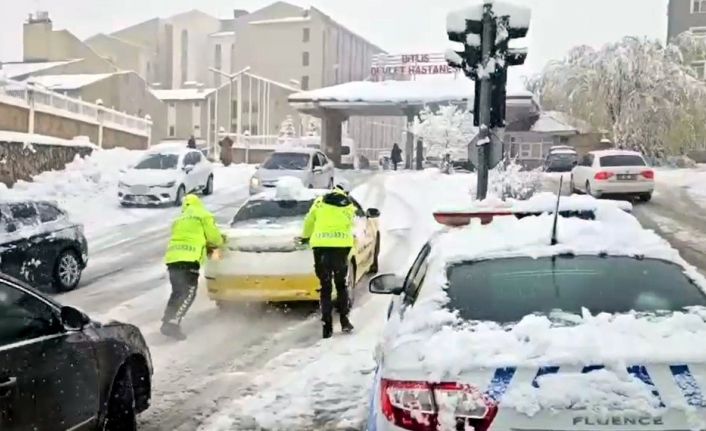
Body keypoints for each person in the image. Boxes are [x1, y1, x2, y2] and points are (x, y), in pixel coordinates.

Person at [162, 194, 224, 340]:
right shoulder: (203, 215)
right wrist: (220, 242)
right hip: (189, 259)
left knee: (177, 292)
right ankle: (172, 324)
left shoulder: (178, 219)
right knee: (188, 292)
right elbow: (214, 238)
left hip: (173, 259)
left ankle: (168, 319)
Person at [301, 179, 357, 339]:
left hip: (320, 247)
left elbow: (309, 220)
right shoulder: (348, 205)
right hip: (340, 247)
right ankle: (344, 320)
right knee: (341, 284)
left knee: (325, 286)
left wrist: (305, 237)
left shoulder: (319, 202)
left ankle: (327, 326)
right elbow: (350, 224)